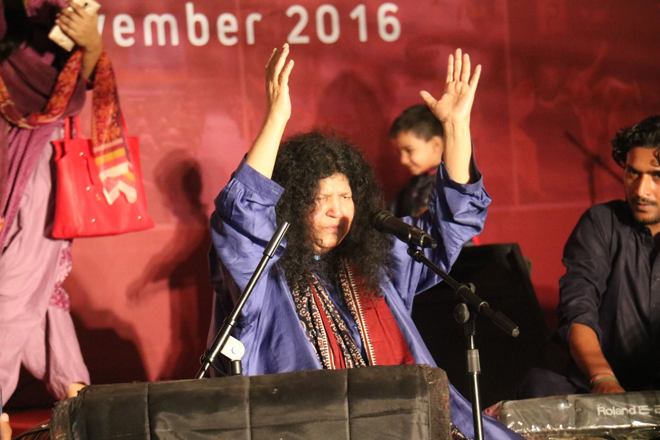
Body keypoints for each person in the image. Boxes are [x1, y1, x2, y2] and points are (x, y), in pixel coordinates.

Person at [209, 44, 521, 440]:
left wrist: (457, 128)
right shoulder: (266, 276)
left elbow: (449, 224)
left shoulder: (377, 262)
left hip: (411, 424)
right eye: (319, 199)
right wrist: (276, 118)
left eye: (345, 197)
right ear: (289, 204)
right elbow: (242, 217)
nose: (336, 211)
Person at [0, 0, 129, 405]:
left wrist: (91, 43)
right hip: (10, 146)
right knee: (34, 285)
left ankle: (76, 400)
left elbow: (83, 79)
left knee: (21, 276)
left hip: (37, 154)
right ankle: (78, 400)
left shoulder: (60, 6)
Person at [518, 115, 660, 398]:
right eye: (633, 173)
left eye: (657, 176)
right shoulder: (601, 222)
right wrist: (602, 378)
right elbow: (578, 308)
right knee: (538, 388)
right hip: (598, 386)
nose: (641, 190)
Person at [388, 104, 446, 218]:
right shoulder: (416, 180)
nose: (403, 160)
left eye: (409, 150)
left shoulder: (448, 185)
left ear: (435, 145)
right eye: (399, 152)